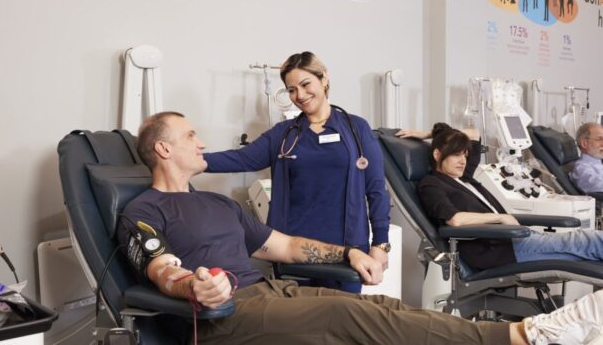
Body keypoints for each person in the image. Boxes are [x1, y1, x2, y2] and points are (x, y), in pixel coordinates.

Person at [117, 112, 603, 345]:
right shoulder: (144, 210)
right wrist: (195, 286)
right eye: (190, 136)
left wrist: (347, 255)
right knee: (354, 323)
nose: (202, 142)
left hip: (271, 291)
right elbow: (161, 268)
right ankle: (524, 337)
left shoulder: (216, 201)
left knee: (383, 307)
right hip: (225, 318)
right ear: (163, 150)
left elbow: (281, 246)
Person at [202, 52, 390, 293]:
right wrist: (193, 160)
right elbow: (240, 158)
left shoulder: (356, 129)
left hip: (348, 250)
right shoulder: (283, 134)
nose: (299, 95)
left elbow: (376, 189)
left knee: (342, 323)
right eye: (291, 90)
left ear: (324, 79)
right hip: (293, 251)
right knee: (297, 325)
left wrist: (381, 244)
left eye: (305, 84)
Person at [398, 123, 603, 272]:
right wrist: (499, 218)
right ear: (437, 155)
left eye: (464, 154)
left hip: (516, 238)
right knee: (585, 241)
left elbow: (474, 133)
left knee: (583, 252)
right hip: (496, 250)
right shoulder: (432, 183)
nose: (462, 160)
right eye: (455, 155)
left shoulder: (464, 176)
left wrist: (430, 133)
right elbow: (455, 219)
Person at [571, 122, 603, 193]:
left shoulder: (597, 162)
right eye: (599, 139)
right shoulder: (581, 168)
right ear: (584, 143)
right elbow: (597, 185)